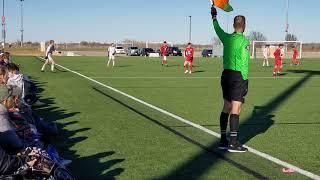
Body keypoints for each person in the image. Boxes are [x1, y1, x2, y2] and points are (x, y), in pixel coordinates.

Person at [211, 5, 250, 152]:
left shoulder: (226, 37)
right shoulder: (245, 41)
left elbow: (217, 29)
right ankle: (233, 143)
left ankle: (223, 140)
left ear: (234, 25)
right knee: (236, 108)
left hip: (225, 75)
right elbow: (245, 62)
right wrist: (245, 81)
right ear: (244, 26)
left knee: (226, 106)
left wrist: (214, 17)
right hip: (238, 76)